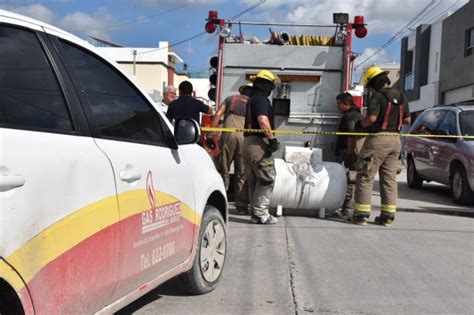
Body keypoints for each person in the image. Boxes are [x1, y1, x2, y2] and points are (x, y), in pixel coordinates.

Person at [352, 66, 411, 226]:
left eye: (370, 85)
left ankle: (361, 215)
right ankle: (387, 216)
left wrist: (360, 125)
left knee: (365, 175)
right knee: (389, 179)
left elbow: (371, 118)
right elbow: (407, 120)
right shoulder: (401, 96)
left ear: (374, 83)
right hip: (395, 141)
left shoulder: (377, 96)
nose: (370, 89)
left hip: (378, 140)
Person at [209, 83, 253, 215]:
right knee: (242, 172)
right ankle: (241, 207)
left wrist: (211, 134)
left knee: (223, 168)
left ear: (241, 91)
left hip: (229, 133)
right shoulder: (252, 103)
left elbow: (217, 115)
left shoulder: (230, 99)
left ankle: (220, 203)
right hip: (244, 136)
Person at [243, 70, 280, 224]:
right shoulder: (261, 99)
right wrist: (272, 139)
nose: (271, 89)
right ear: (266, 85)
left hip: (247, 143)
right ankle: (260, 214)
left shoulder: (252, 99)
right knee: (267, 178)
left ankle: (255, 214)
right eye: (271, 85)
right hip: (257, 144)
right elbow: (263, 120)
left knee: (254, 180)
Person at [333, 92, 364, 220]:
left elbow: (351, 135)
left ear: (346, 104)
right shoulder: (352, 115)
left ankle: (348, 210)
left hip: (350, 152)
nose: (337, 107)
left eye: (339, 104)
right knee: (347, 179)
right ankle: (346, 208)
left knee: (351, 180)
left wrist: (350, 153)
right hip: (348, 151)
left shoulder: (352, 116)